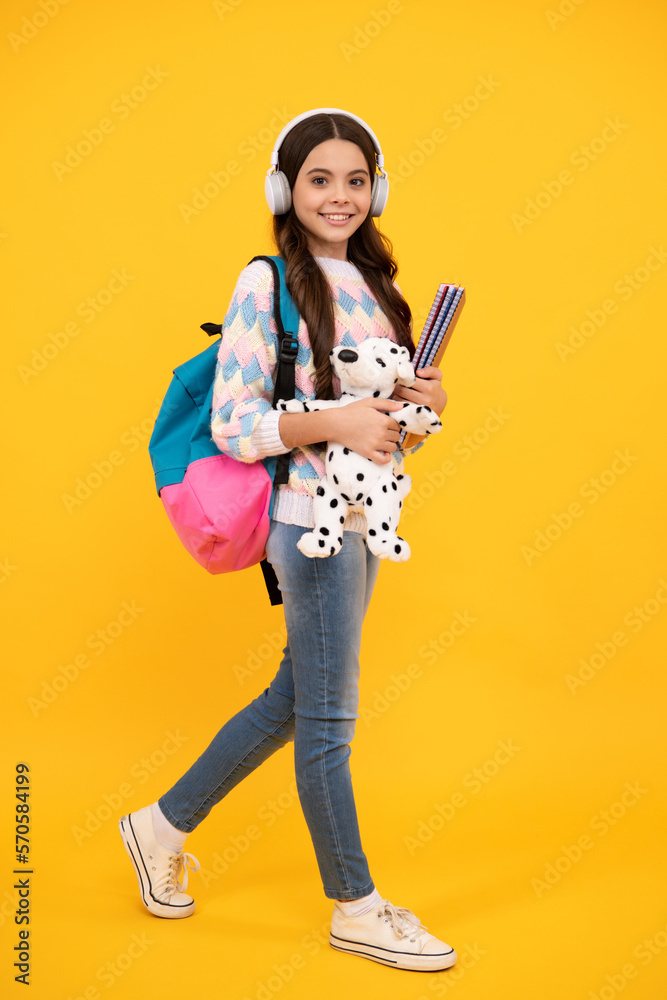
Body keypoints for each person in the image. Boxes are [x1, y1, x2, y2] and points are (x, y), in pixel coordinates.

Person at [119, 108, 456, 973]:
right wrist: (335, 417)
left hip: (364, 516)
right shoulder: (265, 282)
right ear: (285, 189)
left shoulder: (379, 290)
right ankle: (355, 905)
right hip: (305, 523)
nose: (338, 196)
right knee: (330, 720)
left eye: (353, 180)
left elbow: (382, 428)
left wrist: (420, 410)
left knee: (295, 700)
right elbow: (234, 424)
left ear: (375, 190)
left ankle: (157, 827)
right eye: (318, 179)